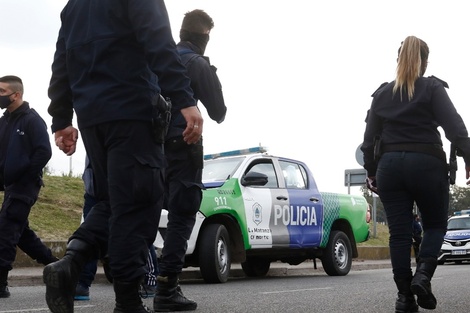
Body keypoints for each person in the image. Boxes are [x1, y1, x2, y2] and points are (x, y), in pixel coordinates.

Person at [43, 0, 202, 312]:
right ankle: (128, 302)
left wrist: (61, 118)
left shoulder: (74, 6)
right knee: (138, 203)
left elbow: (62, 58)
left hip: (92, 117)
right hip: (132, 110)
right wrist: (184, 97)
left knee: (111, 202)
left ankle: (70, 263)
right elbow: (158, 41)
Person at [361, 36, 470, 312]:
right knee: (434, 226)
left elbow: (368, 139)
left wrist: (372, 172)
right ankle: (422, 276)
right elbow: (455, 128)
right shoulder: (432, 88)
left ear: (398, 60)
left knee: (398, 234)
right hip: (427, 164)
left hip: (390, 168)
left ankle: (404, 298)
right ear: (424, 62)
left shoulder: (382, 94)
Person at [154, 9, 227, 312]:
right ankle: (167, 288)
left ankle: (132, 282)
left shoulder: (157, 57)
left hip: (147, 147)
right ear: (205, 37)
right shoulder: (196, 64)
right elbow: (219, 112)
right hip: (182, 145)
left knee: (141, 214)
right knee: (182, 215)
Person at [0, 75, 57, 298]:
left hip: (24, 186)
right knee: (20, 231)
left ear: (17, 95)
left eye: (2, 92)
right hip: (9, 184)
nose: (0, 96)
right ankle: (56, 266)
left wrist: (25, 175)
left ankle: (1, 283)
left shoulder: (32, 120)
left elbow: (44, 151)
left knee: (5, 230)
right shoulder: (5, 121)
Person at [74, 158, 160, 301]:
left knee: (137, 231)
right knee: (90, 236)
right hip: (95, 188)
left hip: (122, 184)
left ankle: (149, 279)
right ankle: (82, 283)